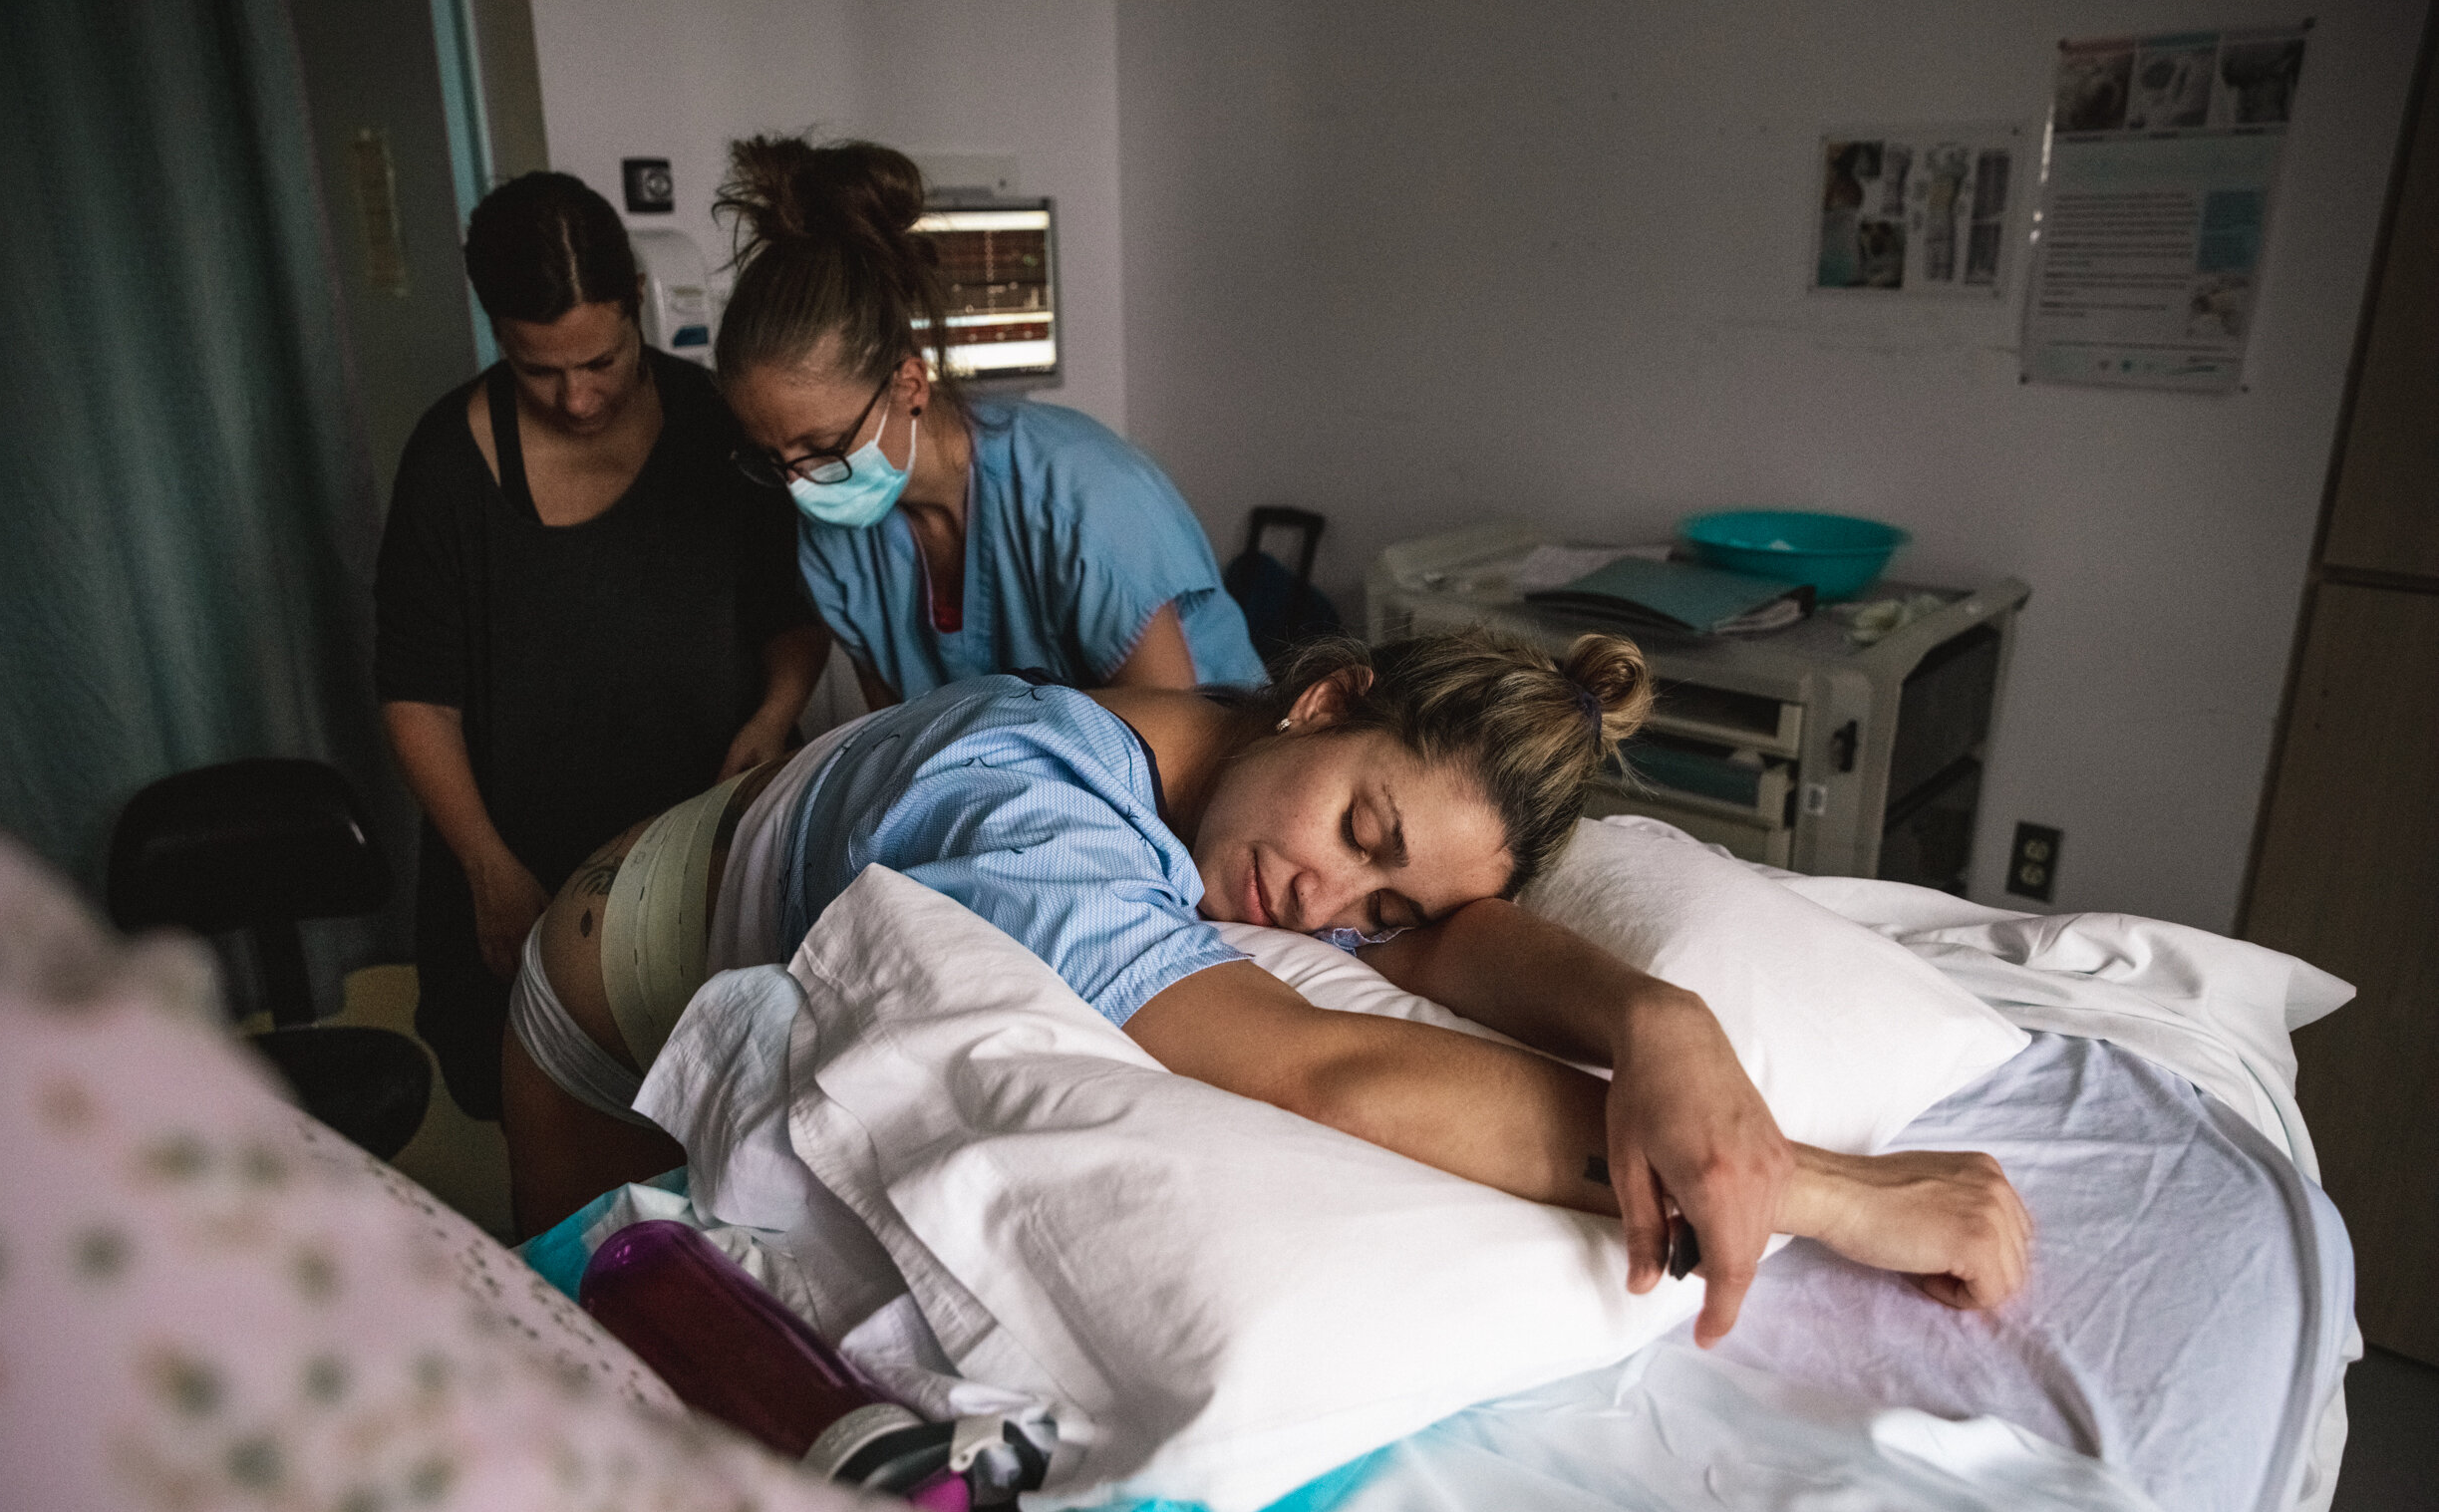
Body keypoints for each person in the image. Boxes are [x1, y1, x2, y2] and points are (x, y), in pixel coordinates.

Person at [498, 627, 2031, 1341]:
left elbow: (1437, 938)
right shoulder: (1025, 805)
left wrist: (1662, 1021)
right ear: (1323, 695)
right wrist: (1824, 1187)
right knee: (574, 1340)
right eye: (1361, 832)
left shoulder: (1244, 786)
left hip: (734, 874)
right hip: (599, 987)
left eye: (1384, 891)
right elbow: (1315, 1066)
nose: (1326, 905)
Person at [376, 171, 828, 1120]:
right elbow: (416, 693)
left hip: (693, 846)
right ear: (497, 332)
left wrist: (772, 715)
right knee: (545, 1126)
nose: (579, 396)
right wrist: (487, 868)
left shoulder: (712, 423)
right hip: (522, 865)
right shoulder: (446, 464)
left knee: (709, 1114)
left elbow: (790, 618)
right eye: (542, 370)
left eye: (604, 359)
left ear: (635, 310)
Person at [708, 135, 1268, 720]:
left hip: (1202, 773)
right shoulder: (836, 546)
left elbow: (1170, 750)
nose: (800, 484)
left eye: (822, 448)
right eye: (772, 458)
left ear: (909, 386)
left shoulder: (1087, 501)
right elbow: (900, 740)